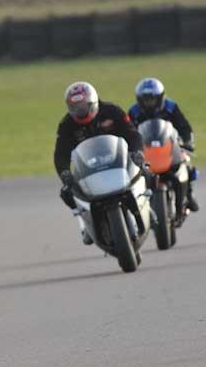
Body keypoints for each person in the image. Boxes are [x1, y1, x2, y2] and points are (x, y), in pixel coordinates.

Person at [54, 81, 146, 245]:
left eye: (83, 106)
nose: (79, 111)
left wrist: (138, 151)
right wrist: (64, 172)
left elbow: (132, 133)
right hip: (89, 168)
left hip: (119, 161)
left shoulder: (112, 111)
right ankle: (84, 225)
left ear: (93, 102)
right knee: (67, 191)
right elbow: (60, 153)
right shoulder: (66, 124)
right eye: (75, 107)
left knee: (147, 172)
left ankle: (148, 205)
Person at [128, 77, 198, 212]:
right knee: (133, 174)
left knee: (186, 162)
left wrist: (188, 141)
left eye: (152, 99)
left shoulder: (171, 107)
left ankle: (189, 194)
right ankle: (138, 207)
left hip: (170, 147)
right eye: (146, 100)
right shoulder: (134, 112)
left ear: (160, 97)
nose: (150, 103)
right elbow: (128, 131)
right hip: (147, 151)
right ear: (139, 100)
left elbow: (184, 126)